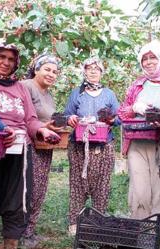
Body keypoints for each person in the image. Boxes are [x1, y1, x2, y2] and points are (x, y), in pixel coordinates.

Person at [0, 39, 59, 249]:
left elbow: (30, 119)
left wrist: (41, 130)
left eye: (11, 59)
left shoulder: (20, 87)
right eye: (1, 57)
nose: (6, 62)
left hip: (18, 151)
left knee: (16, 200)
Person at [118, 40, 160, 228]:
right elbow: (122, 112)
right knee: (140, 188)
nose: (148, 62)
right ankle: (139, 229)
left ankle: (155, 232)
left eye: (152, 57)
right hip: (137, 141)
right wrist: (134, 107)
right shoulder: (137, 85)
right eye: (144, 59)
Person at [65, 57, 120, 235]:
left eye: (97, 68)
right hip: (79, 145)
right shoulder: (77, 93)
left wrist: (111, 119)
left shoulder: (109, 94)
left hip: (104, 145)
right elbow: (68, 114)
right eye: (89, 68)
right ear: (84, 71)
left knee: (102, 183)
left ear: (102, 72)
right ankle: (74, 223)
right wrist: (70, 119)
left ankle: (98, 221)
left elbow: (119, 118)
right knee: (78, 182)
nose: (93, 71)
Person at [21, 54, 62, 248]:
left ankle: (29, 231)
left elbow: (43, 120)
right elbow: (21, 116)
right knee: (29, 188)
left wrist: (51, 127)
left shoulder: (48, 94)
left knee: (40, 188)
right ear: (36, 69)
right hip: (29, 144)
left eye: (55, 72)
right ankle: (20, 233)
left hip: (44, 146)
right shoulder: (26, 86)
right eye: (47, 69)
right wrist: (43, 127)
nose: (51, 74)